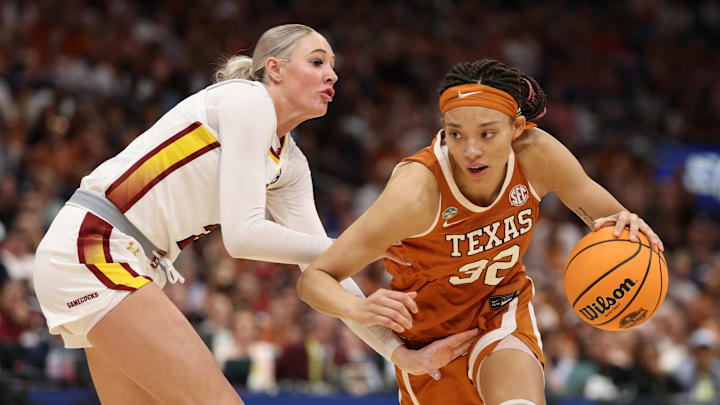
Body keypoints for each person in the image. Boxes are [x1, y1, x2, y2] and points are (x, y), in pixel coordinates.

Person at [33, 24, 476, 405]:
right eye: (318, 62)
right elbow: (244, 236)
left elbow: (325, 271)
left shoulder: (291, 165)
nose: (333, 74)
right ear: (275, 69)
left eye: (333, 66)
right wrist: (361, 246)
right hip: (95, 246)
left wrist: (400, 354)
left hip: (123, 257)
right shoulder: (246, 101)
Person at [297, 59, 665, 405]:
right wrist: (358, 309)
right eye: (455, 134)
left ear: (516, 128)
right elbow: (315, 278)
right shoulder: (415, 194)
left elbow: (611, 219)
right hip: (428, 344)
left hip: (501, 312)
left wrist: (628, 226)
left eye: (487, 133)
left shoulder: (537, 155)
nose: (471, 150)